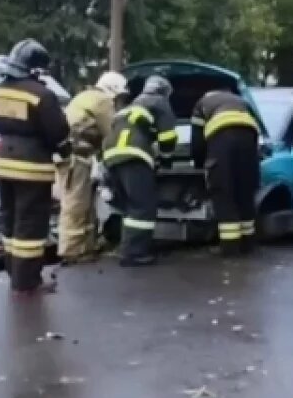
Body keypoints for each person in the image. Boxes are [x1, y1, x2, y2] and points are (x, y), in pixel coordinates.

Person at [0, 39, 70, 295]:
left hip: (2, 163)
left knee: (10, 221)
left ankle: (15, 273)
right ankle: (28, 281)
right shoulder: (42, 94)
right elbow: (57, 132)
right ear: (36, 69)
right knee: (30, 226)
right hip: (32, 167)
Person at [101, 75, 177, 267]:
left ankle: (127, 248)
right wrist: (166, 161)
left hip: (110, 156)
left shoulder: (128, 108)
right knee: (143, 206)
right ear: (164, 92)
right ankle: (134, 254)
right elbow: (168, 136)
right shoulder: (160, 102)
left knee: (130, 206)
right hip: (133, 156)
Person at [56, 71, 129, 264]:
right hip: (77, 158)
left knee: (85, 204)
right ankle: (71, 250)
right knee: (76, 204)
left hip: (74, 157)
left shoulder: (84, 96)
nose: (120, 100)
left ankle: (86, 247)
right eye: (120, 96)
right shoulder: (102, 100)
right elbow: (111, 133)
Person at [190, 89, 262, 256]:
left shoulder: (201, 104)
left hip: (223, 141)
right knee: (244, 192)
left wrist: (200, 163)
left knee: (224, 193)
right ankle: (248, 244)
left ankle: (230, 248)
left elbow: (197, 141)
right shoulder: (241, 102)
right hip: (249, 139)